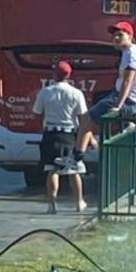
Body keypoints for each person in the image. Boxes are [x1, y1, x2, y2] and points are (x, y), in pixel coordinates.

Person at [70, 21, 136, 168]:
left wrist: (118, 106)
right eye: (114, 36)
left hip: (128, 100)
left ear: (130, 36)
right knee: (90, 120)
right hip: (121, 96)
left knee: (86, 118)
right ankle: (123, 125)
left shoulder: (131, 54)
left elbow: (128, 82)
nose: (115, 38)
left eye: (120, 35)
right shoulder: (130, 52)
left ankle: (76, 159)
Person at [31, 61, 88, 214]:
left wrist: (43, 126)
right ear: (69, 75)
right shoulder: (76, 93)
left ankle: (52, 203)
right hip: (69, 135)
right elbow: (83, 117)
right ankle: (79, 202)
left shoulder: (45, 92)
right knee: (73, 170)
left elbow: (37, 113)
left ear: (54, 74)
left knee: (52, 169)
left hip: (50, 134)